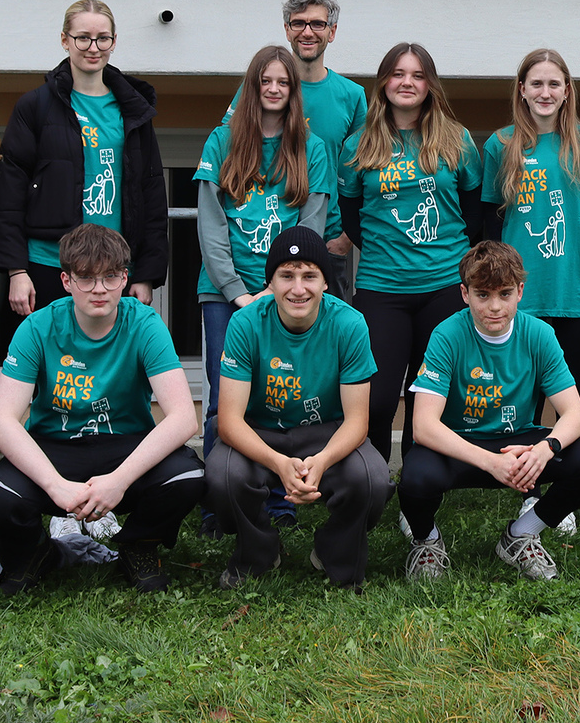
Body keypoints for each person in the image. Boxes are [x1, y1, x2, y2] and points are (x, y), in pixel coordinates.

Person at [0, 225, 204, 594]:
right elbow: (2, 420)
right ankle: (33, 554)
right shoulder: (37, 327)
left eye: (110, 276)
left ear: (124, 279)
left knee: (187, 476)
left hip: (125, 445)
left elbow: (183, 418)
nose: (99, 288)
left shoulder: (145, 324)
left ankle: (138, 546)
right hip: (55, 447)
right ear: (67, 281)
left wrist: (119, 481)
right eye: (86, 278)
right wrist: (55, 486)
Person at [400, 242, 580, 581]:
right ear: (465, 294)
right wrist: (490, 462)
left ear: (520, 292)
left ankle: (522, 534)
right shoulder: (446, 335)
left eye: (505, 294)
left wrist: (545, 449)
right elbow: (423, 426)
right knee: (415, 477)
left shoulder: (539, 334)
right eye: (482, 295)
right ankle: (426, 541)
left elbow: (575, 415)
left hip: (518, 444)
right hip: (461, 446)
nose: (495, 307)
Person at [198, 45, 336, 530]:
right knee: (223, 399)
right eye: (265, 81)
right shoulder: (222, 140)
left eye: (283, 82)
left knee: (282, 395)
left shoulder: (312, 148)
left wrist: (285, 289)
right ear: (252, 87)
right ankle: (218, 503)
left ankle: (279, 499)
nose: (274, 89)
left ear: (294, 91)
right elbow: (211, 224)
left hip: (290, 294)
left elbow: (312, 228)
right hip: (224, 294)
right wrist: (238, 292)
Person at [204, 228, 388, 589]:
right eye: (286, 275)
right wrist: (279, 463)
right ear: (270, 282)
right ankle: (257, 553)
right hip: (260, 431)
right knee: (223, 474)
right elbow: (228, 421)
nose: (298, 288)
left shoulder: (349, 324)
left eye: (309, 276)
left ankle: (336, 553)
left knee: (372, 477)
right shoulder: (245, 323)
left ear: (325, 283)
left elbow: (357, 422)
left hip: (326, 432)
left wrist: (322, 461)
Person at [338, 42, 483, 462]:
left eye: (418, 75)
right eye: (398, 74)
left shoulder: (458, 140)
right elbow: (352, 218)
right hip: (381, 288)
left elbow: (473, 213)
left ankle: (420, 491)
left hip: (444, 286)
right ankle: (374, 483)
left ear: (430, 84)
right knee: (377, 399)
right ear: (384, 82)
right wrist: (390, 250)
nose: (407, 83)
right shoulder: (358, 145)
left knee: (428, 400)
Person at [0, 0, 168, 319]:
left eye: (103, 38)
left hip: (115, 270)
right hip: (48, 264)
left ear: (114, 42)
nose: (93, 47)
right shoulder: (35, 106)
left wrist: (146, 274)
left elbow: (152, 194)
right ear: (65, 40)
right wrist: (16, 270)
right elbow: (10, 194)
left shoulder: (134, 109)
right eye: (83, 38)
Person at [223, 0, 369, 296]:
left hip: (326, 241)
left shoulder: (352, 95)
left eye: (317, 23)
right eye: (299, 23)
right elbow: (228, 149)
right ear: (287, 30)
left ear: (332, 32)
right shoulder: (259, 89)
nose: (307, 32)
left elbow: (365, 170)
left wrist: (345, 238)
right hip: (259, 240)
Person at [480, 48, 580, 398]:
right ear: (522, 89)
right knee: (522, 398)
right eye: (536, 84)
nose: (545, 93)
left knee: (573, 394)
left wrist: (569, 251)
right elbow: (491, 219)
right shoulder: (500, 144)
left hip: (575, 291)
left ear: (567, 90)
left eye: (554, 84)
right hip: (521, 293)